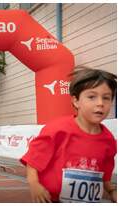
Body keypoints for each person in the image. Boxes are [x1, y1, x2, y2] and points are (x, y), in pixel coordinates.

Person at [20, 66, 117, 203]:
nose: (100, 103)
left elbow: (105, 175)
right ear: (76, 101)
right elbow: (33, 162)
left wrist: (112, 191)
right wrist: (35, 185)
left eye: (106, 98)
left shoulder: (108, 140)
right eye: (92, 97)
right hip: (52, 200)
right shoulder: (57, 130)